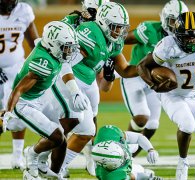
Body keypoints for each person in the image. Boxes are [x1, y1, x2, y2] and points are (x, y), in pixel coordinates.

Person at [44, 2, 137, 178]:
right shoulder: (88, 32)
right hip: (69, 80)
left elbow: (113, 79)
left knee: (87, 130)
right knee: (65, 127)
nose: (119, 32)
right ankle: (38, 158)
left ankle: (53, 166)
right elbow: (65, 62)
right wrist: (74, 91)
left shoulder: (111, 42)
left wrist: (147, 68)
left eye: (121, 28)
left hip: (87, 80)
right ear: (103, 22)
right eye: (116, 27)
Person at [138, 11, 195, 180]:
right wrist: (153, 85)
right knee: (187, 123)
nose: (191, 40)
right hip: (172, 94)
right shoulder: (167, 45)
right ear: (176, 35)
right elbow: (142, 66)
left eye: (194, 36)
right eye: (186, 36)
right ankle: (183, 162)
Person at [2, 21, 82, 179]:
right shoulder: (42, 62)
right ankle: (31, 158)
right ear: (53, 44)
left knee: (67, 129)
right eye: (66, 46)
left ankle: (44, 165)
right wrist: (8, 111)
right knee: (58, 137)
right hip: (26, 103)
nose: (69, 51)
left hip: (41, 96)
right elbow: (19, 88)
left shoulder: (49, 47)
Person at [121, 0, 188, 156]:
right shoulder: (150, 30)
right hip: (135, 77)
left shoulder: (184, 39)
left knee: (152, 125)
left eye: (179, 22)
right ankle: (120, 148)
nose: (175, 26)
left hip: (156, 79)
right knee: (141, 118)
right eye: (173, 20)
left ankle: (128, 157)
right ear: (164, 18)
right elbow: (123, 39)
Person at [0, 0, 39, 170]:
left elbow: (34, 43)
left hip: (16, 69)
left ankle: (17, 156)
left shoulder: (23, 11)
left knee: (17, 109)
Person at [93, 125, 162, 180]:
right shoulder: (111, 176)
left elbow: (138, 137)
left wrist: (150, 150)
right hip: (116, 170)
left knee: (134, 145)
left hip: (115, 149)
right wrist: (147, 177)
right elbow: (135, 176)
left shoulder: (109, 133)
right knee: (140, 170)